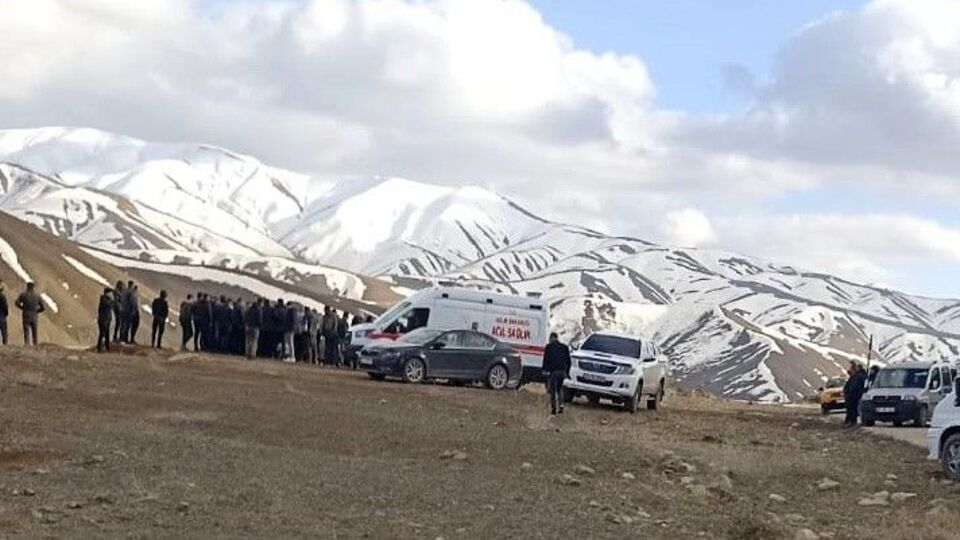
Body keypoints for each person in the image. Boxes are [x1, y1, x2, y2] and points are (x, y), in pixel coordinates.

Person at [542, 332, 571, 415]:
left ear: (551, 338)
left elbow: (545, 359)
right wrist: (567, 372)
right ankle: (561, 405)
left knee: (552, 390)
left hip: (553, 372)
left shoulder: (549, 347)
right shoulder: (564, 347)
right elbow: (569, 361)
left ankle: (554, 408)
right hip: (562, 371)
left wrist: (544, 369)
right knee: (559, 389)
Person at [15, 282, 45, 347]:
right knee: (34, 331)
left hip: (26, 314)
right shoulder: (37, 296)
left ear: (27, 287)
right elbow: (43, 308)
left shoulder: (23, 295)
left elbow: (16, 303)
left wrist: (22, 308)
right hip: (34, 315)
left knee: (26, 331)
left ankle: (27, 344)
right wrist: (37, 311)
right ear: (33, 287)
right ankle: (35, 344)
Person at [843, 362, 867, 427]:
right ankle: (851, 421)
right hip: (853, 395)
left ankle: (853, 422)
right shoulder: (855, 377)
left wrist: (849, 393)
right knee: (852, 409)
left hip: (855, 395)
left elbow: (854, 386)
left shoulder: (858, 376)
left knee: (854, 409)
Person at [96, 287, 114, 352]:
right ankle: (99, 347)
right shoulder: (104, 299)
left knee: (106, 333)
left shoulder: (107, 299)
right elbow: (108, 304)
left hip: (107, 319)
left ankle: (107, 347)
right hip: (103, 319)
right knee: (102, 333)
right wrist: (112, 300)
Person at [0, 279, 8, 345]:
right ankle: (5, 345)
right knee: (4, 332)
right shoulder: (2, 296)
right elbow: (5, 306)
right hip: (1, 316)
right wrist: (6, 313)